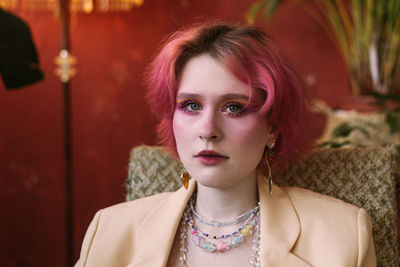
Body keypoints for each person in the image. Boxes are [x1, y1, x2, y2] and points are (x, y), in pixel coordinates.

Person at [75, 22, 376, 267]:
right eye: (191, 106)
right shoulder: (110, 230)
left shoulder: (343, 235)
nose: (207, 130)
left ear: (273, 125)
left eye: (233, 107)